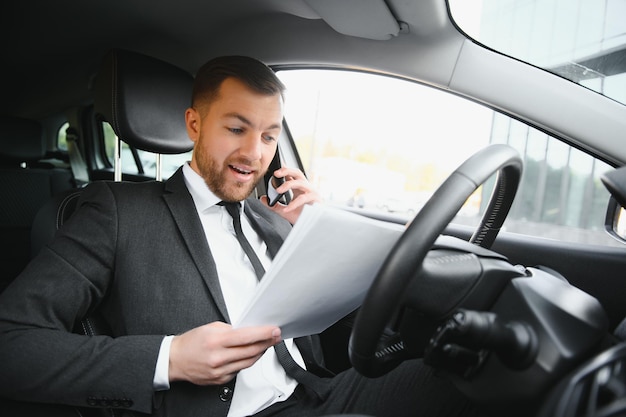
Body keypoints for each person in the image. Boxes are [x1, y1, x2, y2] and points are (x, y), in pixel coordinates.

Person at [0, 56, 483, 417]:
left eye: (270, 136)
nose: (255, 153)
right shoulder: (116, 210)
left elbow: (342, 333)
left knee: (481, 374)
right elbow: (12, 344)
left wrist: (321, 238)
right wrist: (169, 358)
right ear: (195, 124)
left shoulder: (276, 218)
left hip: (320, 395)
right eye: (236, 128)